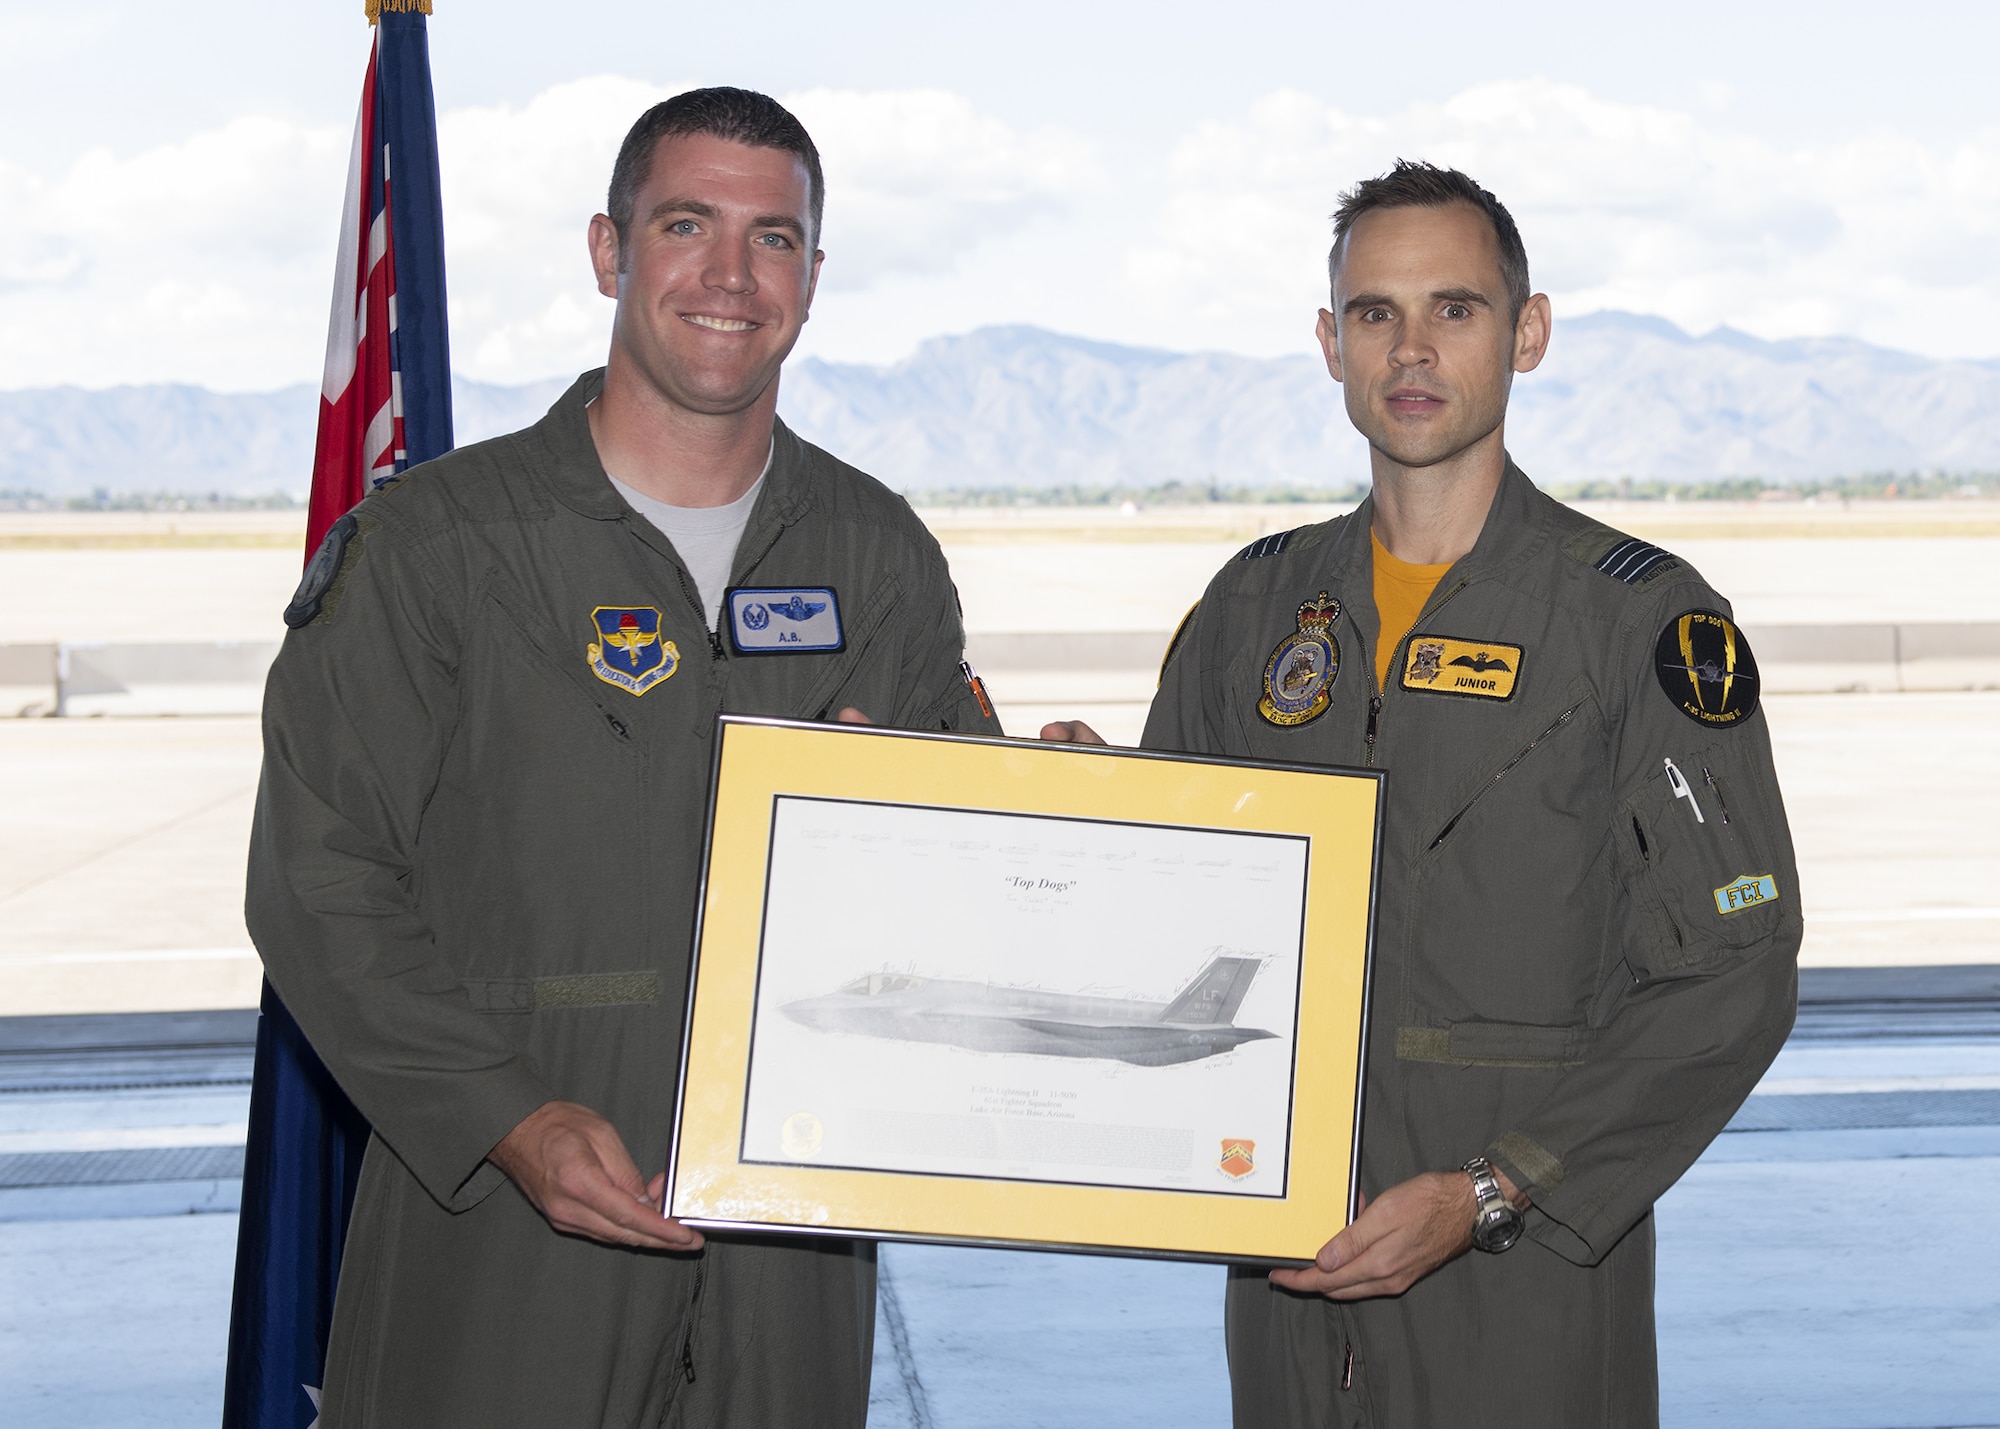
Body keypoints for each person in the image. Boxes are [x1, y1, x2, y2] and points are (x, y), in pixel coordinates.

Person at [249, 88, 998, 1428]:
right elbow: (319, 885)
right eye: (686, 224)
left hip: (785, 1252)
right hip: (495, 1232)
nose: (730, 274)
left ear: (814, 279)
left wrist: (1038, 815)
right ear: (610, 250)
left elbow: (961, 879)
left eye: (774, 238)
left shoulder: (876, 556)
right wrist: (510, 1118)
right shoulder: (438, 548)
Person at [1055, 161, 1801, 1425]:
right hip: (1288, 1280)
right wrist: (1070, 818)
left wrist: (1495, 1190)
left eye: (1452, 310)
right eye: (1371, 313)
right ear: (1327, 344)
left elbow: (1736, 973)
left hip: (1528, 1289)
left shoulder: (1633, 621)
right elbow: (1171, 912)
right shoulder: (1250, 610)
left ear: (1527, 332)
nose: (1409, 349)